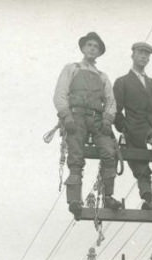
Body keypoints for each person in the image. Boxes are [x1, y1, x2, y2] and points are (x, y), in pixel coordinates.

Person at [53, 32, 121, 220]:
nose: (92, 49)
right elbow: (60, 93)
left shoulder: (102, 76)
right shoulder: (72, 68)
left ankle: (108, 197)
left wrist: (108, 119)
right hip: (76, 116)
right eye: (89, 45)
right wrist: (66, 116)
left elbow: (110, 101)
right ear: (83, 48)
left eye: (96, 47)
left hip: (96, 119)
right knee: (75, 155)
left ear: (99, 52)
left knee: (109, 152)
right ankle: (74, 200)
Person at [113, 43, 152, 210]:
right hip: (134, 128)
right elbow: (116, 111)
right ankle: (148, 198)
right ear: (132, 55)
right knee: (139, 163)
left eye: (147, 55)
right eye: (140, 53)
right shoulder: (122, 82)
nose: (143, 57)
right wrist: (124, 128)